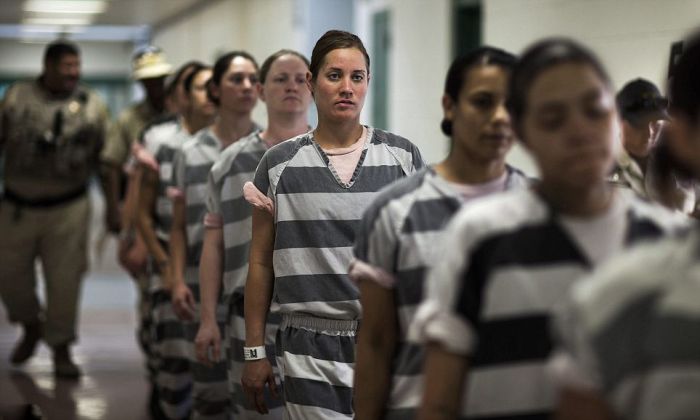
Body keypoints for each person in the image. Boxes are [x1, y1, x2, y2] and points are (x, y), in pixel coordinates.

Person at [409, 38, 687, 420]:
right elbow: (440, 403)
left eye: (595, 111)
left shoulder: (667, 239)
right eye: (553, 119)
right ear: (522, 133)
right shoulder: (481, 236)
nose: (579, 131)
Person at [241, 30, 424, 419]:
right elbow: (259, 262)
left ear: (368, 83)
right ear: (312, 82)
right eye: (334, 75)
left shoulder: (402, 158)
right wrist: (254, 350)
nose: (346, 88)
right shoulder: (278, 165)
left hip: (386, 338)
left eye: (357, 77)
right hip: (309, 344)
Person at [351, 46, 529, 420]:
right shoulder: (394, 211)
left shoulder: (543, 210)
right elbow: (377, 343)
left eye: (512, 105)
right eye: (482, 102)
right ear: (450, 106)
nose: (499, 117)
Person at [552, 30, 700, 420]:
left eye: (659, 124)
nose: (652, 132)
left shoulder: (681, 178)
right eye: (642, 124)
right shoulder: (597, 173)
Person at [194, 49, 312, 419]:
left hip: (314, 317)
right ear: (261, 90)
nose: (292, 87)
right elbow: (214, 246)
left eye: (300, 78)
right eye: (280, 79)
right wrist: (208, 319)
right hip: (248, 319)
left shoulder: (331, 157)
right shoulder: (229, 164)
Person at [0, 39, 109, 378]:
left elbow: (105, 161)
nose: (73, 73)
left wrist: (116, 210)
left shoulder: (91, 105)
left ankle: (61, 347)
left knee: (65, 281)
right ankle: (30, 323)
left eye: (77, 67)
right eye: (67, 67)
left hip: (69, 205)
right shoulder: (16, 98)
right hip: (18, 203)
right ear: (47, 67)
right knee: (9, 275)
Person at [169, 51, 260, 420]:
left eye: (254, 79)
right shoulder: (189, 153)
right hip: (198, 280)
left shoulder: (271, 151)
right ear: (216, 90)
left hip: (246, 285)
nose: (247, 87)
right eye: (236, 79)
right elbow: (177, 225)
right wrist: (175, 280)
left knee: (249, 393)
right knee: (208, 390)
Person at [135, 63, 216, 419]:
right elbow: (141, 212)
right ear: (183, 98)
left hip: (212, 272)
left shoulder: (231, 146)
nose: (210, 95)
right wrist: (166, 264)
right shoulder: (163, 144)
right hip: (169, 264)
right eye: (199, 88)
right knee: (171, 362)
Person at [610, 78, 694, 212]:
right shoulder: (601, 167)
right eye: (641, 124)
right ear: (619, 123)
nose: (650, 133)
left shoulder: (673, 162)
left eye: (656, 124)